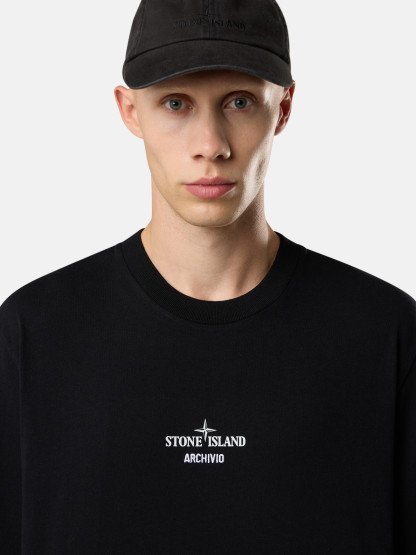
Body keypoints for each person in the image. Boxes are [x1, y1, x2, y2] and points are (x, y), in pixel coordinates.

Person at [0, 0, 414, 553]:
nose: (211, 145)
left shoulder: (383, 332)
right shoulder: (34, 333)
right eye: (176, 103)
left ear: (284, 108)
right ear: (130, 111)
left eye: (239, 102)